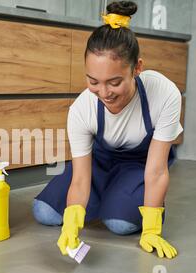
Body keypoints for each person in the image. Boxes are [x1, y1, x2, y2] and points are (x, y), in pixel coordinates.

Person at [33, 1, 181, 259]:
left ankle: (124, 199)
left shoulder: (164, 93)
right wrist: (72, 219)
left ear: (137, 68)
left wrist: (152, 229)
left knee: (120, 225)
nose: (104, 93)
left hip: (140, 165)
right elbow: (80, 178)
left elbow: (156, 169)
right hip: (98, 164)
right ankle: (112, 197)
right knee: (44, 212)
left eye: (114, 82)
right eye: (93, 82)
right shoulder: (82, 109)